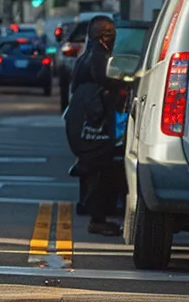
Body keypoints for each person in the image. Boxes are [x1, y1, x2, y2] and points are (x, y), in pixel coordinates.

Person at [65, 16, 129, 236]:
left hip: (82, 123)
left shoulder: (86, 56)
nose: (113, 37)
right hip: (92, 124)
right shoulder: (98, 56)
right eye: (108, 32)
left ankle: (93, 211)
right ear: (100, 36)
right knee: (101, 167)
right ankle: (98, 219)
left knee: (94, 167)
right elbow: (105, 79)